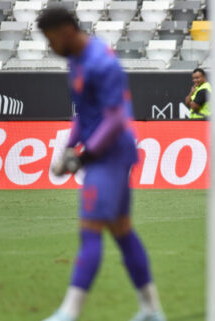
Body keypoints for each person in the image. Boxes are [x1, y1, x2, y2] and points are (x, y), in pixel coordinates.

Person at [38, 8, 166, 321]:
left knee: (90, 231)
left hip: (110, 157)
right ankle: (151, 310)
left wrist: (83, 156)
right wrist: (68, 147)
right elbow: (84, 113)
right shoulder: (78, 60)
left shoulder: (101, 62)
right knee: (122, 231)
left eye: (51, 38)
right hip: (105, 155)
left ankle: (68, 313)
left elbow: (115, 118)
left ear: (67, 30)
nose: (50, 46)